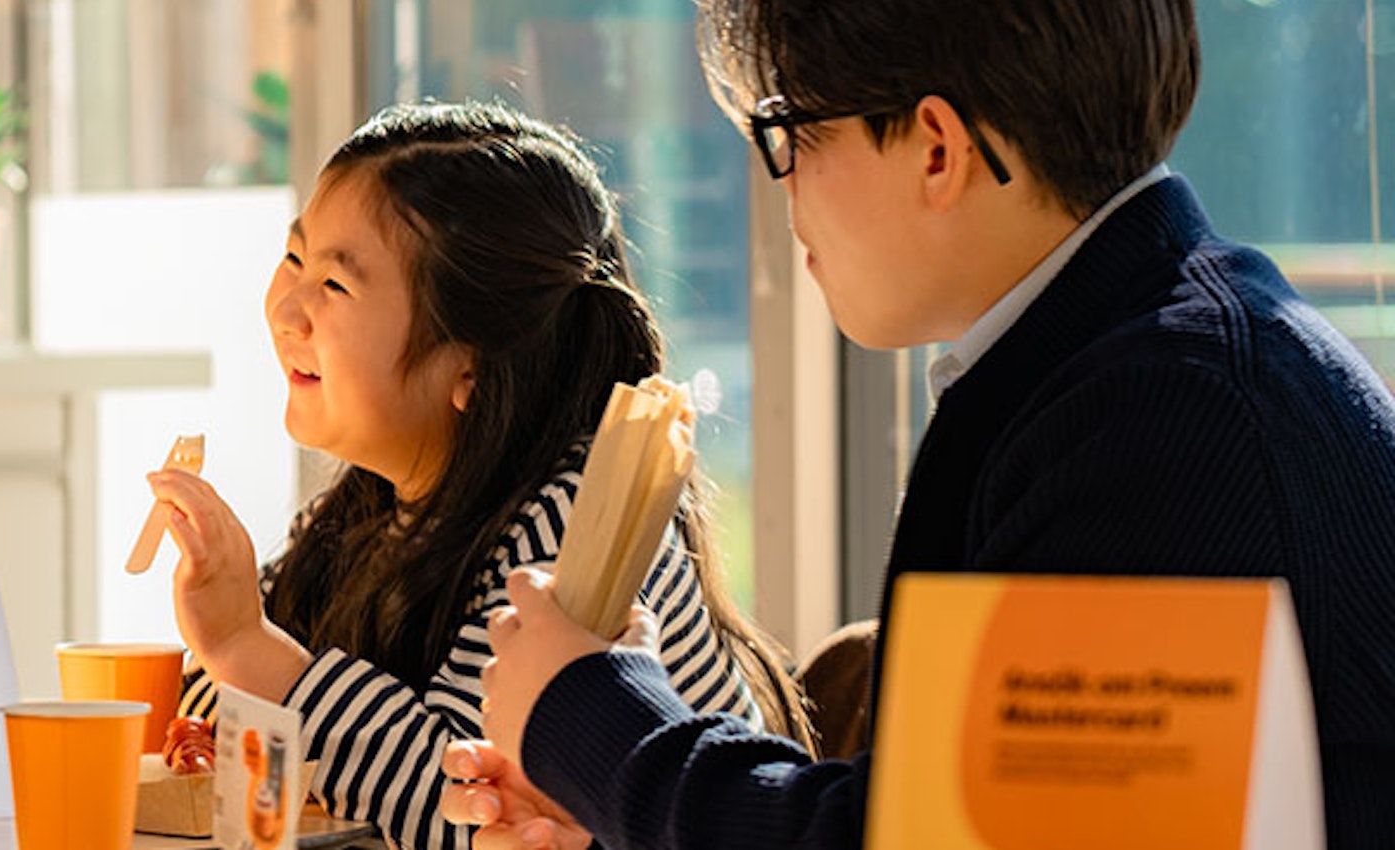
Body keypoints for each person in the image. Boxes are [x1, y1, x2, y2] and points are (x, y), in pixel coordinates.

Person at [452, 0, 1395, 847]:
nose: (784, 193)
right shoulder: (1142, 360)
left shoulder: (1168, 415)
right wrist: (613, 783)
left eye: (789, 136)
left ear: (936, 149)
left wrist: (598, 725)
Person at [153, 101, 815, 850]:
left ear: (468, 361)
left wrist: (243, 643)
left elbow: (465, 807)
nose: (287, 311)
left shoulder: (579, 524)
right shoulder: (362, 514)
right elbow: (225, 725)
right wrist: (229, 647)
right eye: (296, 260)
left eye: (335, 286)